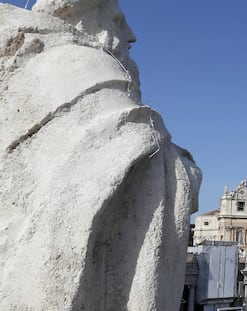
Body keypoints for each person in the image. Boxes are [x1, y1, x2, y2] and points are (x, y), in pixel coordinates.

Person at [0, 1, 201, 310]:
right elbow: (140, 151)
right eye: (119, 20)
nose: (131, 35)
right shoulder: (86, 73)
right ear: (90, 21)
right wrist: (187, 169)